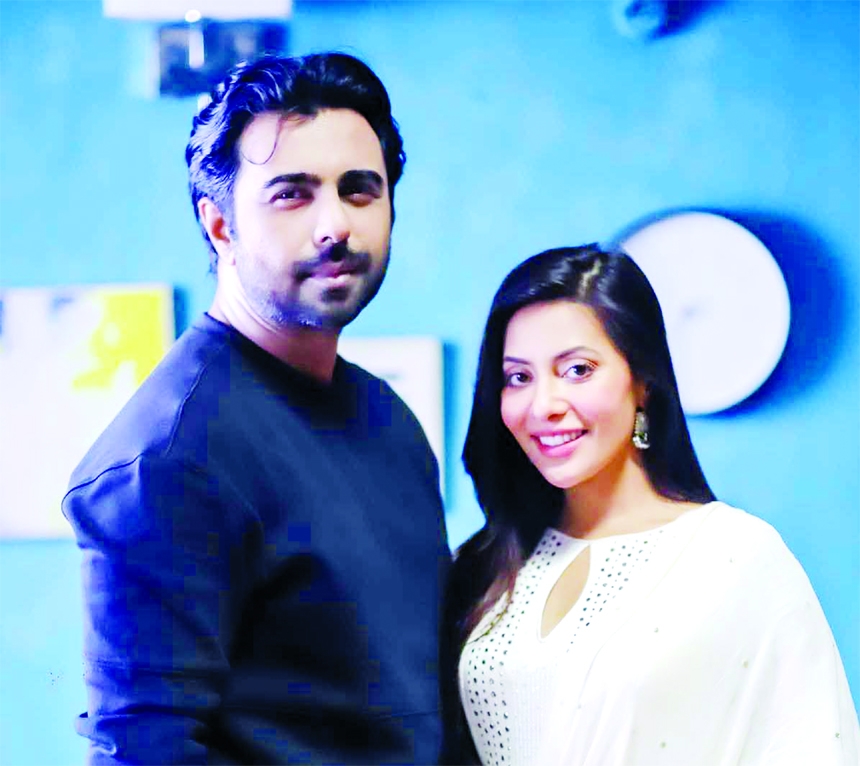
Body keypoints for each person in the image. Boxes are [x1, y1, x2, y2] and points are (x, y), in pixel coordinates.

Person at [63, 52, 451, 765]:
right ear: (220, 226)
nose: (334, 224)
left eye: (359, 190)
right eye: (291, 194)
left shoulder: (387, 418)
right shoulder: (169, 459)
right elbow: (143, 751)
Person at [440, 245, 859, 765]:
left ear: (643, 382)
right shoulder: (485, 565)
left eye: (577, 369)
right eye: (519, 377)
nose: (543, 405)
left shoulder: (736, 554)